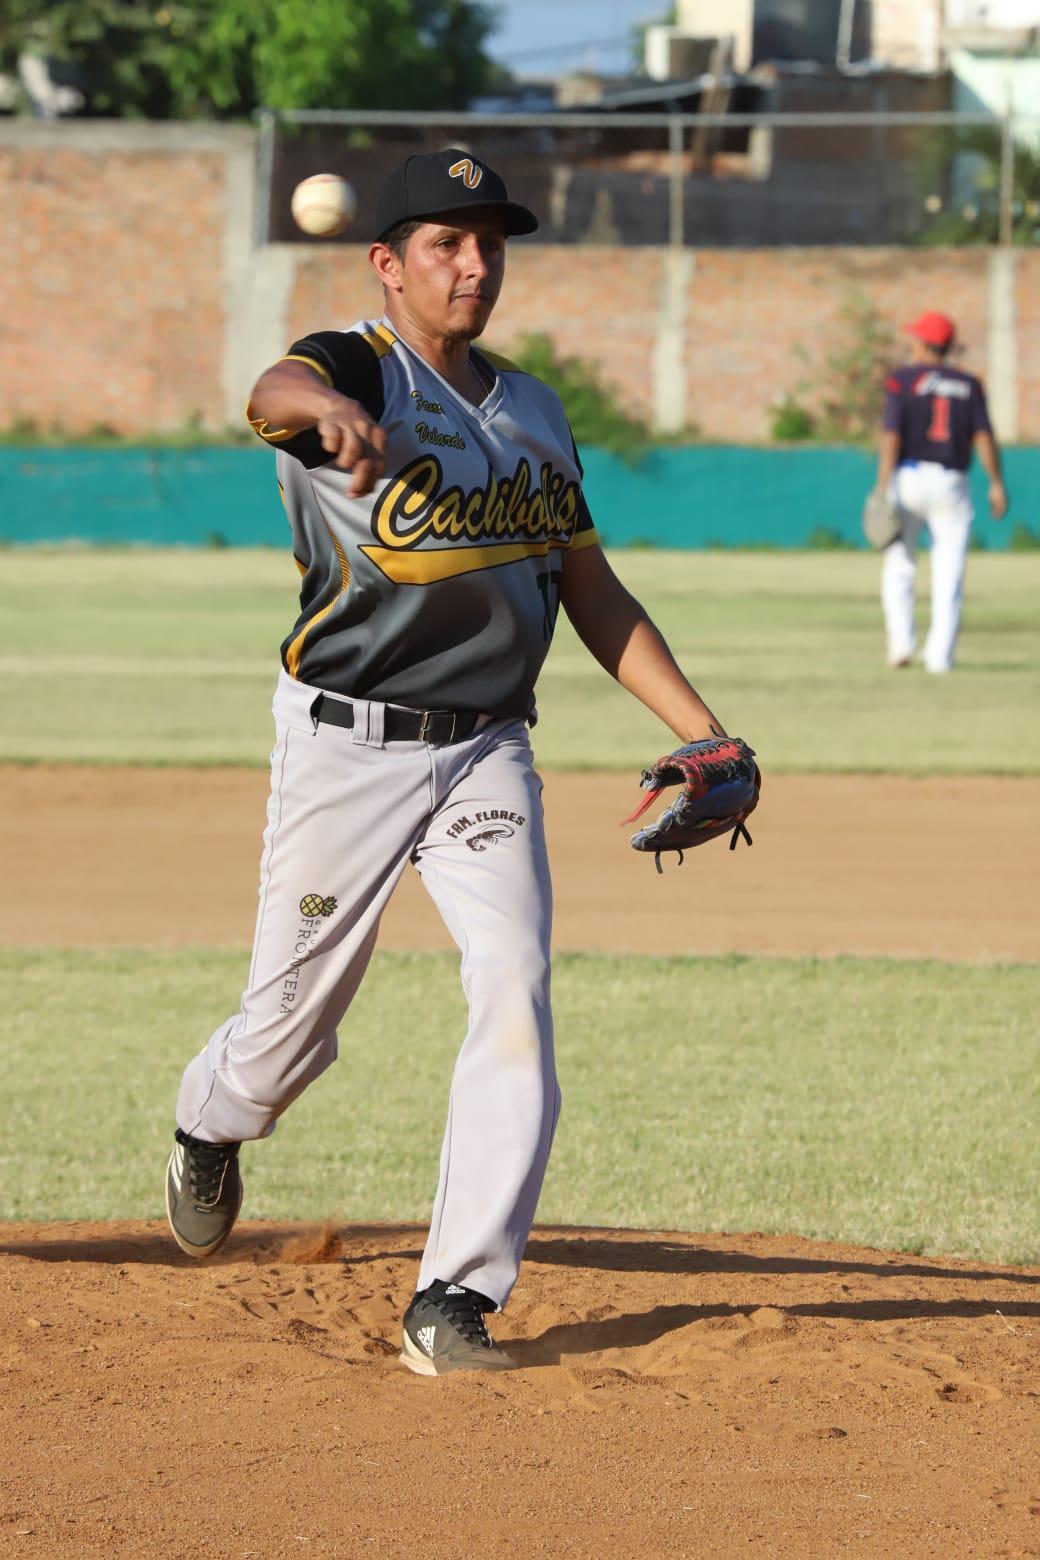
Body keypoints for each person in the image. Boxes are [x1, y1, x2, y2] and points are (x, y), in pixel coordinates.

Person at [164, 148, 730, 1376]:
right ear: (390, 263)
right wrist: (326, 415)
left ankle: (452, 1299)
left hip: (484, 749)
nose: (474, 265)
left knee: (514, 988)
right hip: (344, 750)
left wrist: (700, 727)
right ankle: (211, 1123)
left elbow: (589, 589)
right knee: (284, 1039)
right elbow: (269, 390)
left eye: (491, 243)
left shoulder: (530, 408)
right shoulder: (352, 363)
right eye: (444, 243)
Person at [875, 309, 1007, 674]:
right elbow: (983, 435)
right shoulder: (969, 384)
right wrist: (996, 482)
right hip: (952, 482)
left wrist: (882, 484)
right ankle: (939, 658)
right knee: (950, 571)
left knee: (899, 565)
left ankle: (901, 646)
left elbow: (891, 434)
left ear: (922, 343)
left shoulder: (902, 380)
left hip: (910, 477)